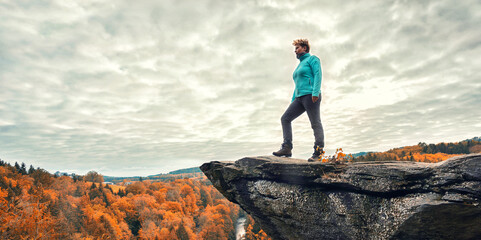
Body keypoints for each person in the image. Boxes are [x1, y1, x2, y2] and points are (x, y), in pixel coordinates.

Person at [273, 39, 325, 162]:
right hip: (299, 98)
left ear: (305, 48)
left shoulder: (313, 59)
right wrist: (293, 100)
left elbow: (318, 74)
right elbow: (297, 85)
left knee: (315, 123)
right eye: (295, 49)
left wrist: (315, 92)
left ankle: (318, 152)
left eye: (297, 48)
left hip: (311, 95)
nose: (295, 51)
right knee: (285, 118)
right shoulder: (299, 66)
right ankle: (287, 147)